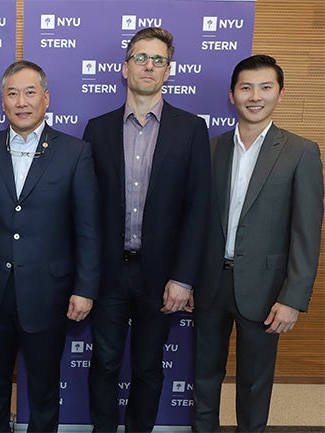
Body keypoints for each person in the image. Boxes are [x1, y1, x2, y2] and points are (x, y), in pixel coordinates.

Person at [0, 60, 101, 432]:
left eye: (30, 92)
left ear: (46, 98)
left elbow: (87, 228)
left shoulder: (75, 152)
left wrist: (85, 289)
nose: (22, 101)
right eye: (12, 93)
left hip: (49, 293)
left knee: (44, 391)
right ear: (2, 101)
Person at [83, 27, 211, 433]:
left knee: (149, 367)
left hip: (161, 277)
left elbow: (198, 210)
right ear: (125, 68)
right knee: (103, 363)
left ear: (169, 71)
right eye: (141, 57)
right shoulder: (97, 129)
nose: (149, 66)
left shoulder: (191, 130)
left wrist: (184, 278)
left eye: (158, 60)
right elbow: (86, 212)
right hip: (107, 273)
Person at [192, 54, 323, 433]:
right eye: (246, 87)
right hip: (211, 284)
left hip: (266, 292)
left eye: (265, 87)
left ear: (280, 94)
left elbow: (306, 230)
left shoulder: (301, 152)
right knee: (204, 379)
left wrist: (293, 298)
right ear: (231, 95)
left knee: (254, 384)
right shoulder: (211, 149)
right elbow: (196, 222)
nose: (255, 96)